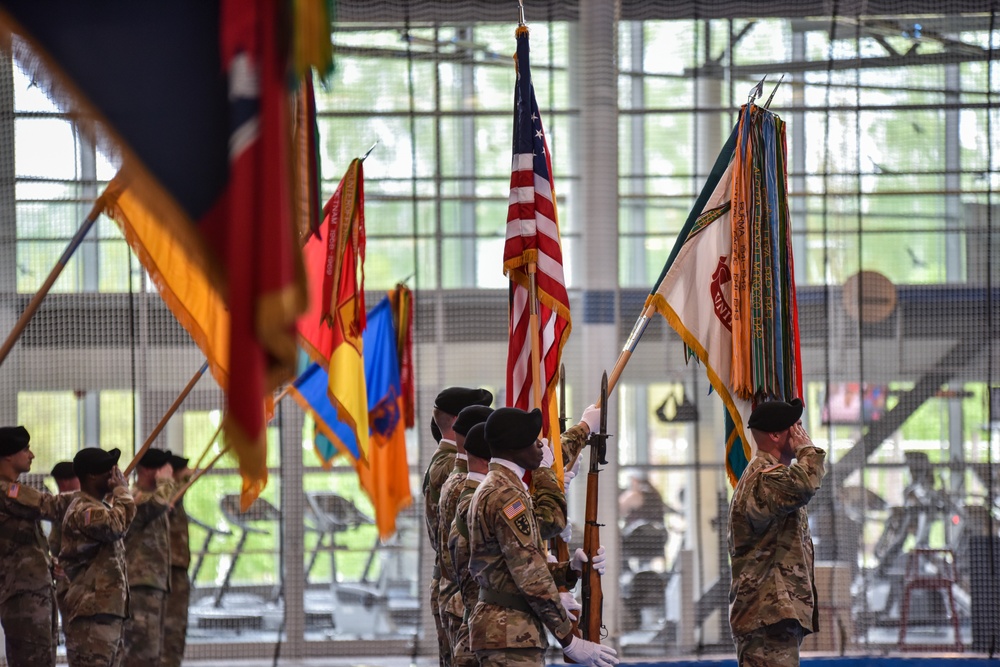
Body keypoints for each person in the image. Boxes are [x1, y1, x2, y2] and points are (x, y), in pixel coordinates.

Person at [468, 407, 618, 667]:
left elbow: (511, 565)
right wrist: (569, 640)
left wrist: (569, 571)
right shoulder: (506, 495)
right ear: (513, 447)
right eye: (532, 440)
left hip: (507, 631)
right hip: (508, 634)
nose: (540, 445)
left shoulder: (499, 487)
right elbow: (530, 576)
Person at [727, 399, 827, 667]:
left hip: (771, 616)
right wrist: (807, 450)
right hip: (765, 616)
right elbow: (805, 484)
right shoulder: (764, 478)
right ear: (775, 435)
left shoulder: (772, 475)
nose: (801, 431)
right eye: (795, 426)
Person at [422, 386, 493, 667]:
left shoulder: (441, 461)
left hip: (451, 582)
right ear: (455, 422)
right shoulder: (455, 465)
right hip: (460, 588)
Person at [0, 425, 71, 667]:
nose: (31, 455)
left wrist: (46, 562)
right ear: (8, 455)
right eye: (25, 449)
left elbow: (18, 543)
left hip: (35, 591)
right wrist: (90, 496)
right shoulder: (7, 491)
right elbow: (50, 506)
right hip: (23, 595)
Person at [61, 447, 137, 667]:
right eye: (109, 471)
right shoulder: (84, 510)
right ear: (92, 475)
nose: (115, 475)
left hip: (105, 613)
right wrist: (123, 492)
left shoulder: (99, 507)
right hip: (91, 616)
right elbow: (115, 526)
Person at [122, 447, 176, 667]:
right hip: (140, 586)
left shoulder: (154, 499)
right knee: (140, 653)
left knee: (152, 653)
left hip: (153, 585)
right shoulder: (135, 499)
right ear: (146, 470)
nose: (165, 472)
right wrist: (167, 484)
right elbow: (154, 505)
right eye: (160, 468)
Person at [161, 453, 192, 667]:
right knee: (170, 630)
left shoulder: (173, 496)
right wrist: (181, 479)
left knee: (176, 630)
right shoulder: (166, 496)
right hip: (167, 571)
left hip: (176, 570)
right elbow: (174, 491)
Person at [49, 461, 81, 632]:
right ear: (65, 482)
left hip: (80, 586)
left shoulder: (68, 507)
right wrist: (55, 562)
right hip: (72, 586)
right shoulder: (63, 507)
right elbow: (54, 546)